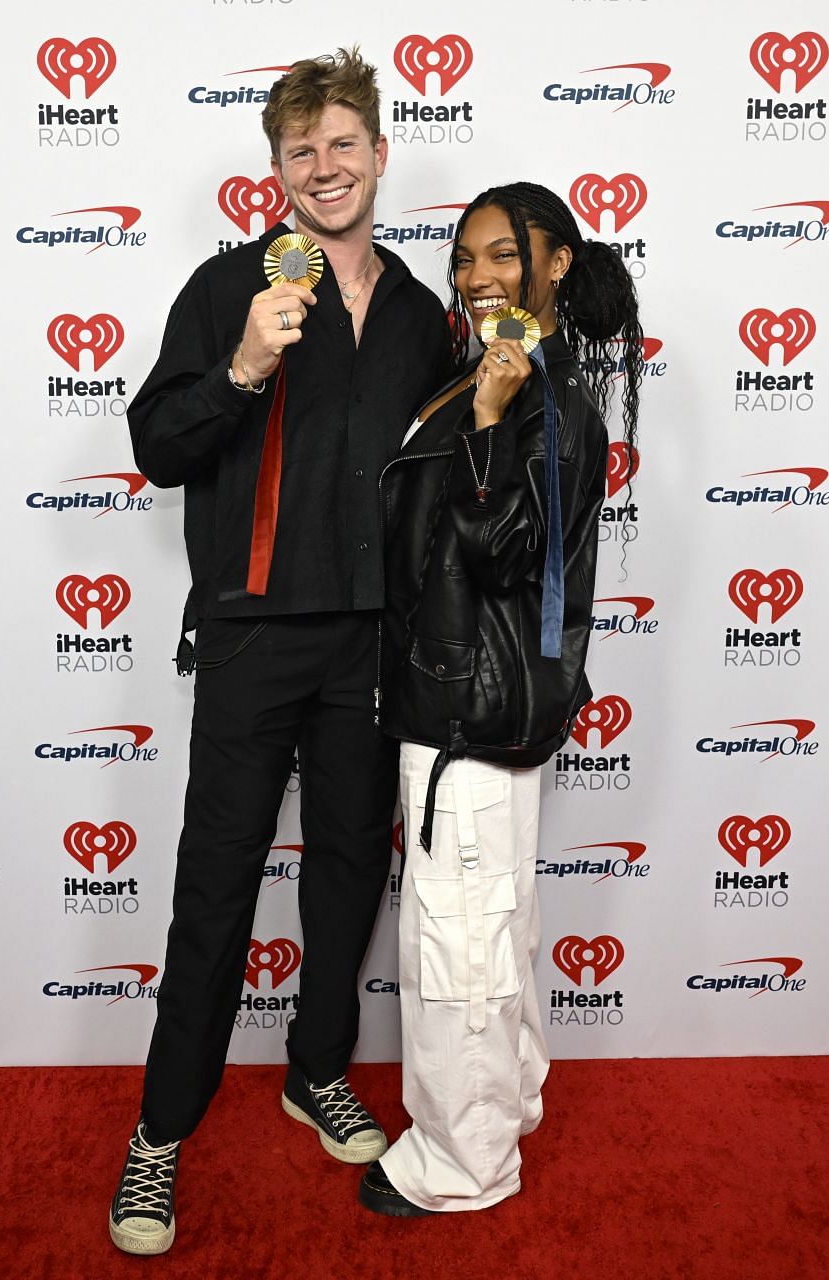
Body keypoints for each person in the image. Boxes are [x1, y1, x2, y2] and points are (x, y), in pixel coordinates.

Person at [109, 47, 450, 1256]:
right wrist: (246, 363)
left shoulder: (421, 309)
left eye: (343, 142)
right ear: (277, 169)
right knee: (216, 883)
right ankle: (160, 1130)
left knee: (352, 872)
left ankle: (316, 1070)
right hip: (254, 636)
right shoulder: (224, 288)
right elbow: (155, 443)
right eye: (301, 150)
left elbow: (453, 473)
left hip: (373, 646)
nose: (325, 166)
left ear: (380, 151)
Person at [356, 182, 644, 1216]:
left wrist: (481, 420)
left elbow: (501, 548)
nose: (479, 276)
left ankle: (463, 1160)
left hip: (468, 710)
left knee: (459, 937)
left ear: (556, 262)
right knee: (493, 921)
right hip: (462, 696)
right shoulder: (509, 377)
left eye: (504, 255)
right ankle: (508, 1099)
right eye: (467, 257)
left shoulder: (536, 393)